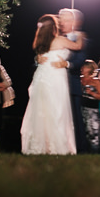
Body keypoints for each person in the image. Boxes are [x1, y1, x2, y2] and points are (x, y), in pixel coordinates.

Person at [20, 14, 84, 155]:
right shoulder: (60, 40)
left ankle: (41, 146)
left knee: (41, 112)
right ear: (54, 27)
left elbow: (39, 55)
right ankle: (56, 147)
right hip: (55, 77)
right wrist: (80, 35)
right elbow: (78, 46)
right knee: (57, 111)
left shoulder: (38, 43)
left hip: (41, 77)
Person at [57, 8, 90, 153]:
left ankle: (79, 149)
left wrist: (67, 64)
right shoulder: (56, 37)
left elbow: (80, 60)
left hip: (72, 86)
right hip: (56, 85)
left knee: (75, 120)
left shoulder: (81, 39)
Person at [79, 60, 100, 154]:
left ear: (90, 68)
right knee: (82, 133)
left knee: (94, 134)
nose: (81, 69)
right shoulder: (78, 79)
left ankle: (95, 155)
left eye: (84, 67)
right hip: (80, 109)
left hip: (93, 111)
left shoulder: (96, 81)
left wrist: (92, 93)